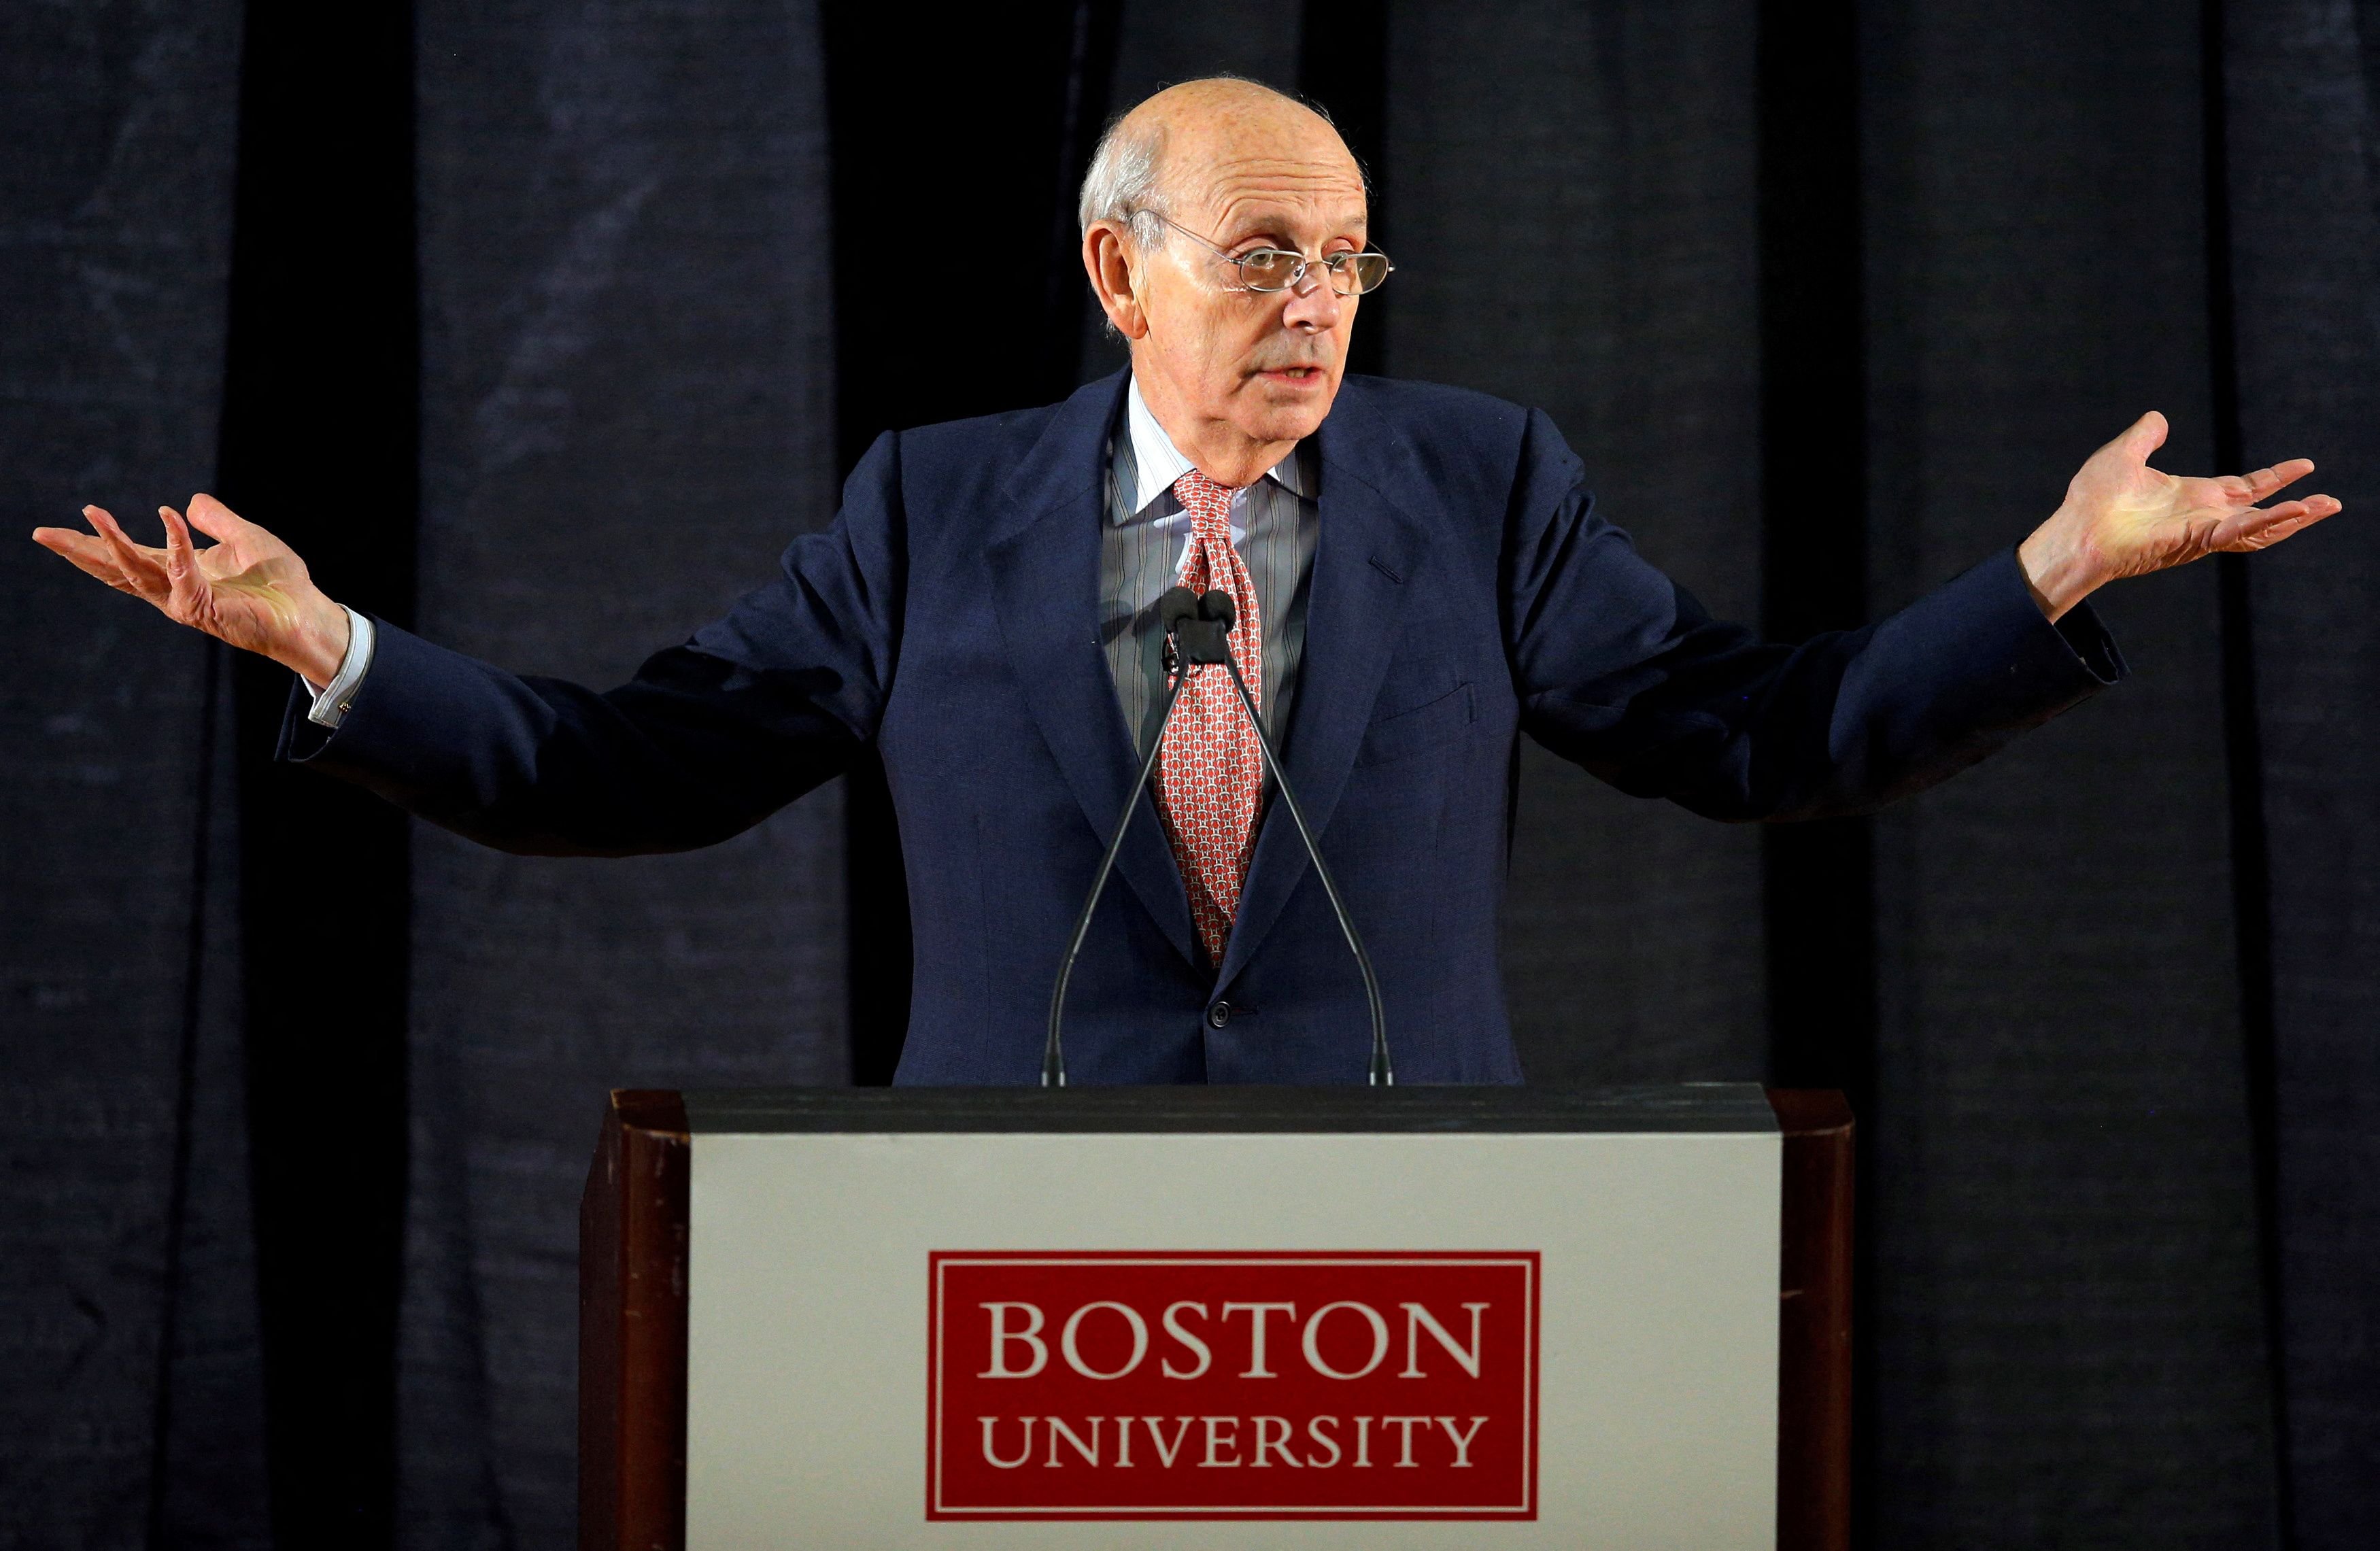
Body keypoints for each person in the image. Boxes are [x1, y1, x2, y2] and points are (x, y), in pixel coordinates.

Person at [32, 78, 2339, 1085]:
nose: (1318, 300)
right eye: (1261, 256)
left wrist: (2049, 566)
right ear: (1114, 274)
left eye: (1345, 257)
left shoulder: (1481, 482)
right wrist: (325, 646)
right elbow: (632, 762)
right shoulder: (932, 509)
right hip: (1006, 1286)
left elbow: (1759, 733)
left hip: (1407, 1280)